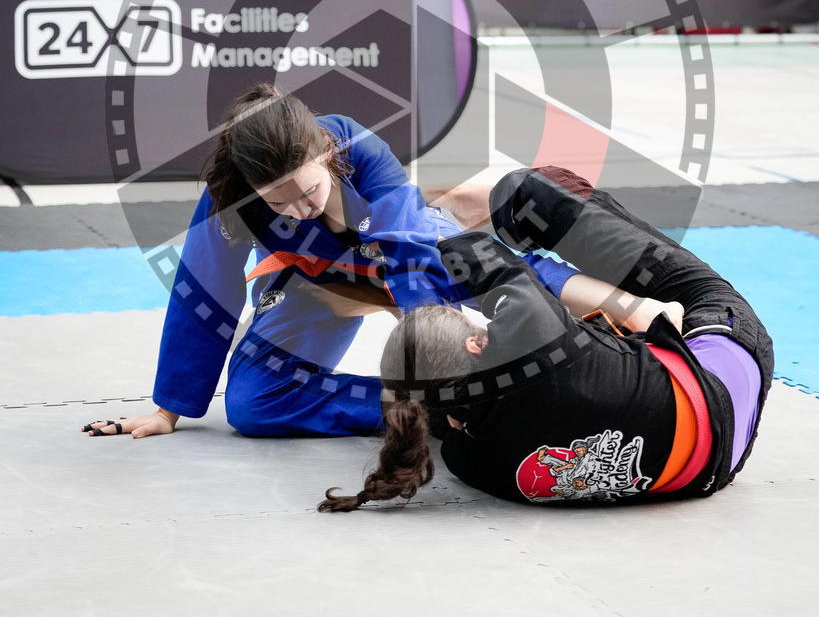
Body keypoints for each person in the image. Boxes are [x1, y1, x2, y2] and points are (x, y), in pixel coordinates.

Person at [318, 166, 773, 508]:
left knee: (592, 358)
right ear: (475, 343)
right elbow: (486, 259)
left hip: (711, 471)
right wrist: (406, 231)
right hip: (728, 364)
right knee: (532, 194)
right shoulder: (528, 335)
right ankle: (464, 197)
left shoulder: (469, 461)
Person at [81, 83, 471, 439]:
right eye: (278, 202)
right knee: (254, 402)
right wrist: (168, 411)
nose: (302, 210)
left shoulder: (357, 146)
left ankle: (482, 382)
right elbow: (204, 288)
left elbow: (411, 258)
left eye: (310, 190)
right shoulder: (229, 192)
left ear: (325, 150)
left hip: (401, 250)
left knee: (474, 269)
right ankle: (415, 408)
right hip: (317, 279)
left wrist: (445, 376)